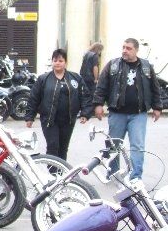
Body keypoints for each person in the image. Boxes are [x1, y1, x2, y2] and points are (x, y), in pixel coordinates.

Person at [93, 38, 162, 180]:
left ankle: (135, 177)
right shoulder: (113, 65)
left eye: (129, 48)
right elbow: (101, 86)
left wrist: (157, 107)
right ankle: (114, 174)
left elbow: (155, 88)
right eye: (123, 47)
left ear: (136, 50)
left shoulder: (146, 66)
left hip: (138, 114)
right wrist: (98, 104)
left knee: (137, 146)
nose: (125, 50)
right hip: (117, 113)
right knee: (113, 145)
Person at [24, 48, 90, 160]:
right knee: (53, 146)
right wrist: (30, 117)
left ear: (65, 62)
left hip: (68, 120)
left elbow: (84, 95)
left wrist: (85, 113)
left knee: (63, 148)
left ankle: (62, 170)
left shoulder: (75, 78)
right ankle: (52, 170)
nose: (57, 63)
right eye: (55, 61)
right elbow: (34, 98)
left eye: (60, 61)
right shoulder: (43, 79)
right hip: (49, 120)